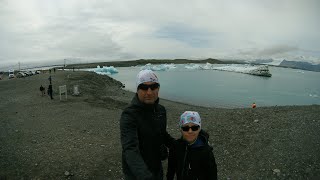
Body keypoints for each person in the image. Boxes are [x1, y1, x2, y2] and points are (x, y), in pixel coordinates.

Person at [120, 69, 174, 180]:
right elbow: (130, 149)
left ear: (158, 89)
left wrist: (185, 143)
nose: (149, 92)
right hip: (136, 173)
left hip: (156, 167)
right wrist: (145, 176)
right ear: (137, 89)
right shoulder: (129, 115)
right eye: (144, 88)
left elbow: (162, 133)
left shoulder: (160, 110)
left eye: (153, 87)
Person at [167, 111, 217, 180]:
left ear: (199, 129)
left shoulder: (206, 151)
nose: (190, 131)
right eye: (185, 128)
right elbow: (171, 168)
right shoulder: (175, 147)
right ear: (180, 130)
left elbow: (212, 175)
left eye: (194, 128)